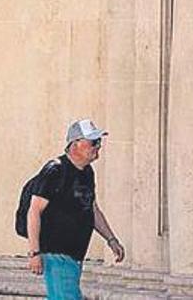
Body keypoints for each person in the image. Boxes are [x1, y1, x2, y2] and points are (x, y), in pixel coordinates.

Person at [26, 119, 125, 299]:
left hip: (74, 256)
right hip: (57, 255)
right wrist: (34, 252)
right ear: (75, 144)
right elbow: (34, 211)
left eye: (99, 141)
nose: (98, 146)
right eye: (93, 141)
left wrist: (111, 240)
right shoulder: (55, 170)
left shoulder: (87, 172)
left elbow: (92, 210)